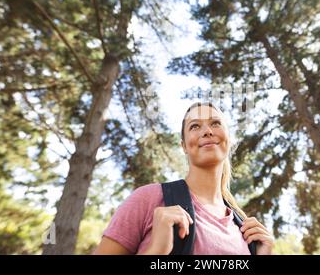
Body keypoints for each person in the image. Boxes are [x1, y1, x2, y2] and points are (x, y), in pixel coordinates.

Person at [94, 102, 274, 255]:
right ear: (184, 146)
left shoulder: (246, 233)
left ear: (229, 139)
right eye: (195, 126)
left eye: (216, 123)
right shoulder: (149, 199)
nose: (207, 131)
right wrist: (156, 252)